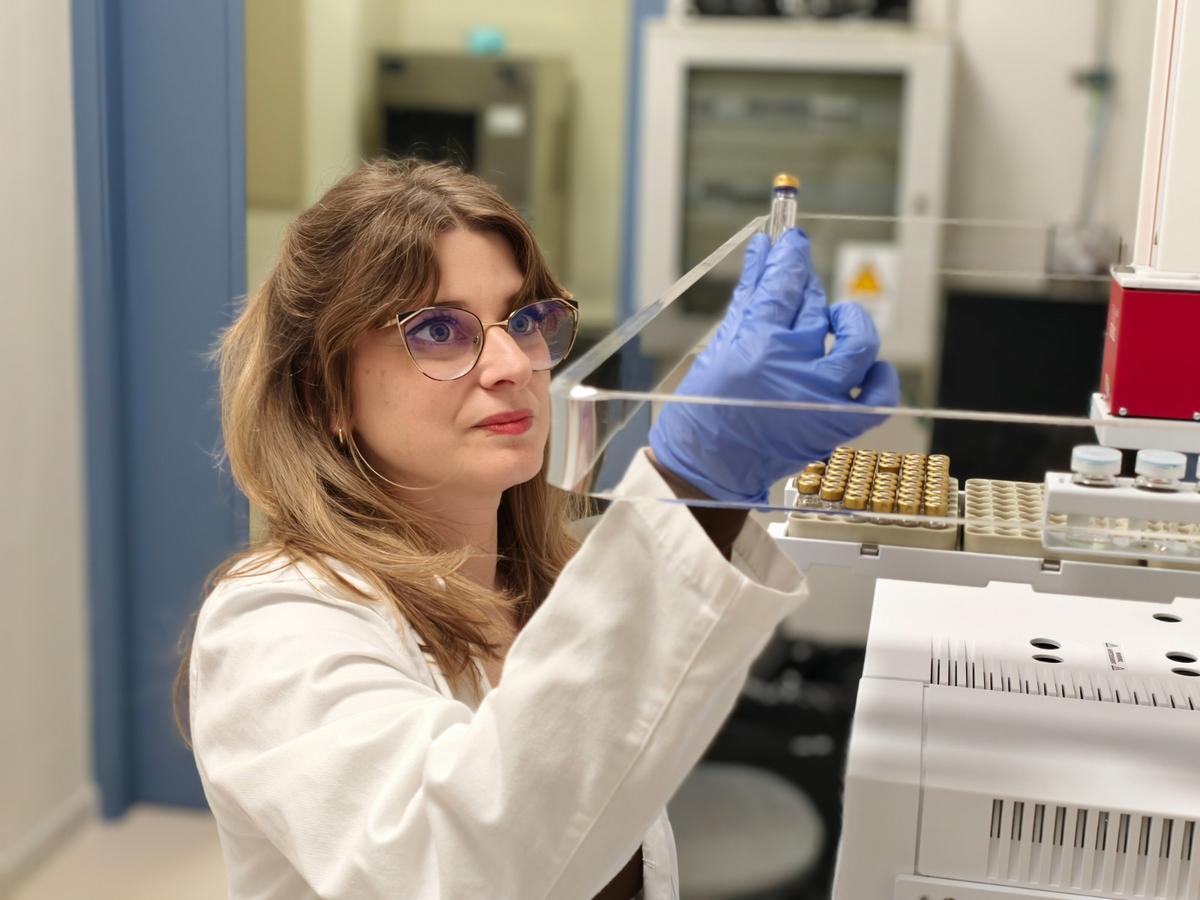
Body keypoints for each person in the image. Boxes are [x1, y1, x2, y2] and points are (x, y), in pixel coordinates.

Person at [178, 157, 898, 900]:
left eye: (524, 320)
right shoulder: (273, 625)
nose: (511, 363)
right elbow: (456, 867)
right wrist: (695, 490)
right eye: (437, 329)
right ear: (324, 391)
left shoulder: (547, 589)